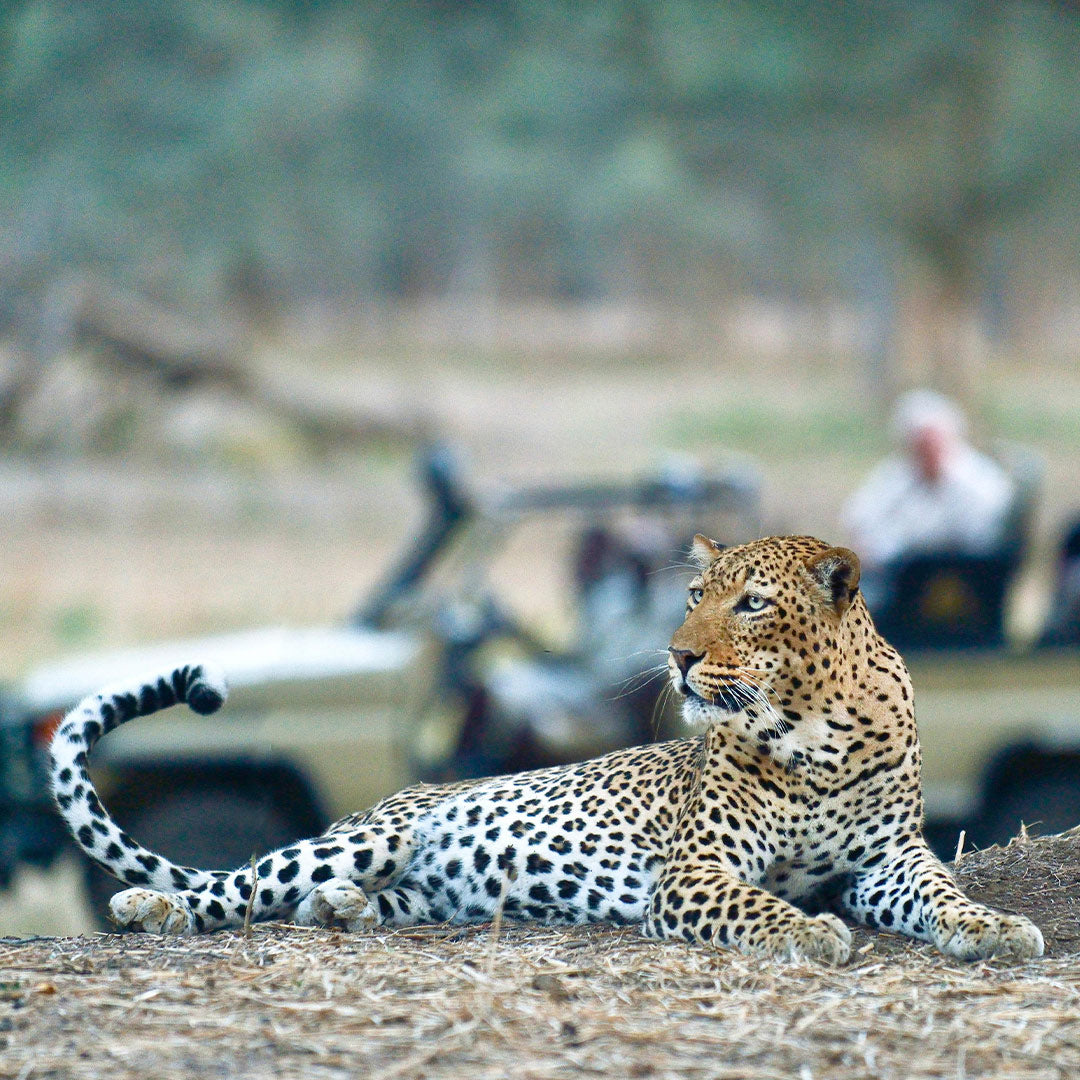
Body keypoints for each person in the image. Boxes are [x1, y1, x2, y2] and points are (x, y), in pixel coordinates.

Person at [841, 389, 1015, 609]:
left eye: (932, 441)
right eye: (919, 444)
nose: (927, 451)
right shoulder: (899, 474)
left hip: (950, 579)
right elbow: (859, 514)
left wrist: (889, 553)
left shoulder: (981, 483)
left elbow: (973, 539)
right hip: (890, 571)